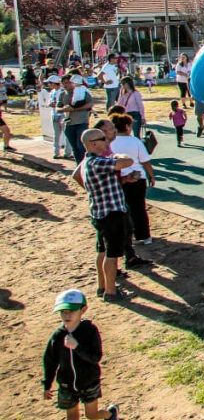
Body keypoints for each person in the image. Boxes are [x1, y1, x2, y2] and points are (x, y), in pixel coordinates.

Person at [42, 289, 119, 420]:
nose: (66, 315)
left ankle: (110, 414)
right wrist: (47, 383)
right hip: (67, 385)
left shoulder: (89, 332)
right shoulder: (57, 336)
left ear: (83, 310)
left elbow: (95, 357)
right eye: (63, 312)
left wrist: (77, 347)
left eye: (71, 311)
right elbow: (49, 360)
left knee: (91, 415)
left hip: (88, 382)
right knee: (71, 417)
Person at [75, 127, 135, 300]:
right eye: (103, 139)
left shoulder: (88, 162)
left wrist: (123, 180)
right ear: (93, 143)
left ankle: (102, 286)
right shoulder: (97, 163)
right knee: (112, 254)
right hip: (111, 214)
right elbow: (127, 161)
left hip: (100, 212)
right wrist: (117, 156)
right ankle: (111, 292)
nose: (107, 141)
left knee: (102, 251)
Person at [110, 113, 155, 247]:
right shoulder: (135, 141)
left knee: (122, 208)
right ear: (127, 126)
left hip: (119, 178)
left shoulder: (110, 142)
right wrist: (151, 175)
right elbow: (145, 161)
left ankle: (127, 235)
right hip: (137, 177)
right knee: (139, 208)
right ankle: (144, 235)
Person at [61, 75, 95, 163]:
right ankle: (79, 167)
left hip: (81, 122)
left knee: (81, 146)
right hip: (69, 123)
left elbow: (90, 104)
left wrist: (75, 109)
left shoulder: (82, 92)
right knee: (75, 148)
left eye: (68, 82)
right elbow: (58, 107)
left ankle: (86, 165)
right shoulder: (62, 94)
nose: (66, 85)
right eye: (63, 83)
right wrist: (63, 109)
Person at [47, 74, 70, 158]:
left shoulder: (63, 91)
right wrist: (51, 104)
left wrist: (56, 105)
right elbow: (50, 102)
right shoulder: (52, 92)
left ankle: (68, 152)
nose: (48, 85)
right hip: (54, 114)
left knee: (67, 133)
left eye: (50, 83)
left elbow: (65, 103)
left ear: (54, 83)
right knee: (56, 134)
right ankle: (56, 152)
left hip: (63, 114)